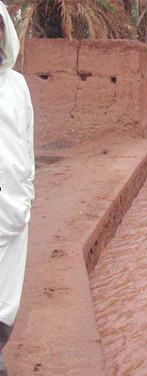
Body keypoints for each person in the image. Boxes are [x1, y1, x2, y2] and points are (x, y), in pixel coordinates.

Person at [0, 2, 35, 374]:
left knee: (5, 302)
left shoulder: (18, 86)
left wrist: (26, 197)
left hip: (13, 212)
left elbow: (27, 146)